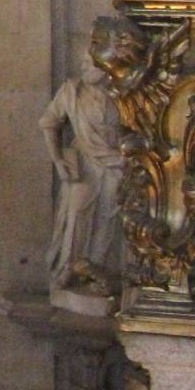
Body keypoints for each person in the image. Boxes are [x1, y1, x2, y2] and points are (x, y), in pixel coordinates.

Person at [39, 19, 128, 292]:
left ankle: (97, 271)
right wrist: (58, 160)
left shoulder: (121, 95)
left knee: (107, 219)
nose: (83, 66)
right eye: (83, 63)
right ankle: (68, 267)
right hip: (83, 161)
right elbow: (48, 123)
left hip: (115, 164)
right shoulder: (72, 91)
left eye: (89, 63)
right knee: (77, 213)